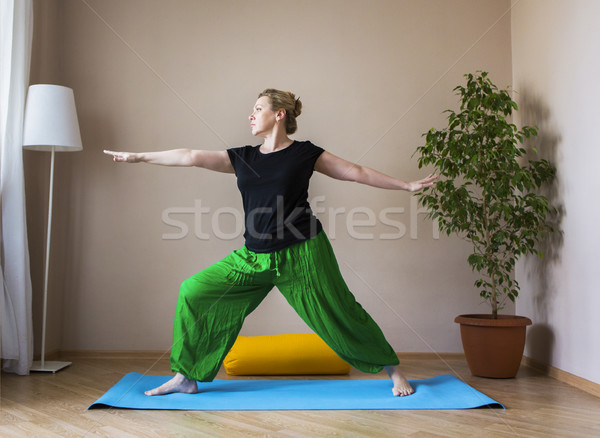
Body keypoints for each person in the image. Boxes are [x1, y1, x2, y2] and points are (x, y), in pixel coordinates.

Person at [104, 89, 436, 397]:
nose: (251, 115)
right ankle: (186, 377)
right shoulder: (243, 157)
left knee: (340, 310)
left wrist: (406, 186)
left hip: (303, 252)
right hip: (254, 257)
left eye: (258, 108)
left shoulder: (305, 153)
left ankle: (393, 370)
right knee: (194, 291)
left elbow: (355, 171)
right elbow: (190, 156)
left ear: (279, 115)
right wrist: (139, 157)